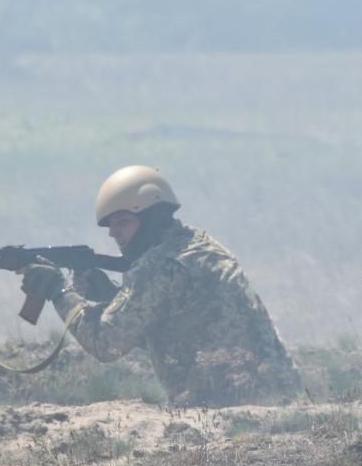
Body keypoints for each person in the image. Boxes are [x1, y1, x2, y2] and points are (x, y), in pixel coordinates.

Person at [20, 165, 300, 406]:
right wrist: (110, 295)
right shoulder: (202, 247)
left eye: (123, 222)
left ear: (151, 218)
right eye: (110, 225)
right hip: (277, 395)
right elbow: (172, 325)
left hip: (227, 405)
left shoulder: (159, 266)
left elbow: (105, 343)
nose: (113, 233)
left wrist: (59, 291)